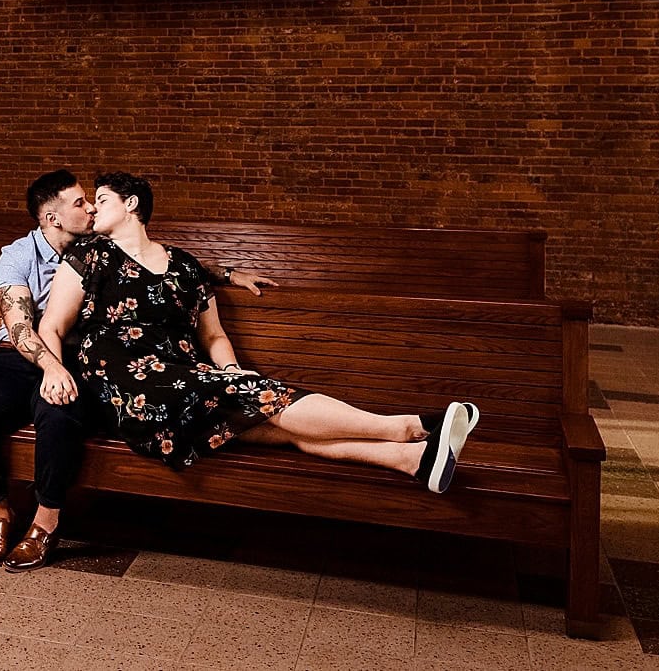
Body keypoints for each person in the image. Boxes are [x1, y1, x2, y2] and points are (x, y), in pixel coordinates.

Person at [38, 172, 478, 496]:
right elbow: (52, 324)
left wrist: (231, 373)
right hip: (127, 385)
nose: (92, 209)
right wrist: (54, 371)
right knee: (263, 400)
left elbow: (213, 336)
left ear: (132, 204)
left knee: (277, 421)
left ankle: (412, 459)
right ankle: (407, 426)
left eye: (101, 199)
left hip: (188, 380)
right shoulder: (88, 255)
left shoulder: (186, 266)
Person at [0, 170, 273, 572]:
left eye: (92, 200)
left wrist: (227, 273)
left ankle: (45, 524)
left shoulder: (100, 246)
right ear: (53, 218)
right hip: (21, 357)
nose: (90, 208)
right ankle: (0, 514)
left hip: (82, 358)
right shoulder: (18, 255)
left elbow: (157, 260)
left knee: (59, 417)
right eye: (80, 203)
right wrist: (50, 368)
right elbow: (20, 327)